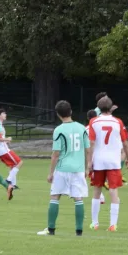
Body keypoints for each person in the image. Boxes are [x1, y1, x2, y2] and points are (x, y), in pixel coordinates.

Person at [37, 101, 90, 236]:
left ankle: (51, 229)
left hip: (62, 168)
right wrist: (87, 168)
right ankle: (79, 231)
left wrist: (50, 173)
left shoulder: (59, 130)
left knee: (55, 196)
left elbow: (56, 154)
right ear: (71, 111)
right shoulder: (82, 128)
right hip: (78, 169)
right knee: (78, 198)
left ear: (58, 115)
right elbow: (88, 150)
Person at [88, 96, 128, 232]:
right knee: (113, 191)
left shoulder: (93, 121)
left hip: (99, 160)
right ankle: (113, 224)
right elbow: (125, 143)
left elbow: (92, 143)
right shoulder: (118, 122)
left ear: (98, 108)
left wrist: (89, 161)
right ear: (111, 107)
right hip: (113, 161)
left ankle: (95, 223)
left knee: (96, 190)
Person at [93, 92, 126, 184]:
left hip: (105, 138)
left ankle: (114, 174)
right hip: (102, 139)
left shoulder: (100, 111)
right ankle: (113, 174)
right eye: (106, 98)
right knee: (121, 152)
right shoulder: (97, 111)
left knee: (122, 152)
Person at [0, 109, 23, 188]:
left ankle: (13, 184)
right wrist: (7, 139)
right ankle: (8, 180)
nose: (5, 114)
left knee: (13, 165)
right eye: (3, 113)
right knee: (19, 162)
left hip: (1, 149)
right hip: (2, 150)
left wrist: (6, 141)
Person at [86, 109, 105, 204]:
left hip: (90, 155)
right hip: (100, 154)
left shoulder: (86, 129)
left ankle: (100, 196)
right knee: (94, 177)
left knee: (92, 176)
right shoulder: (100, 127)